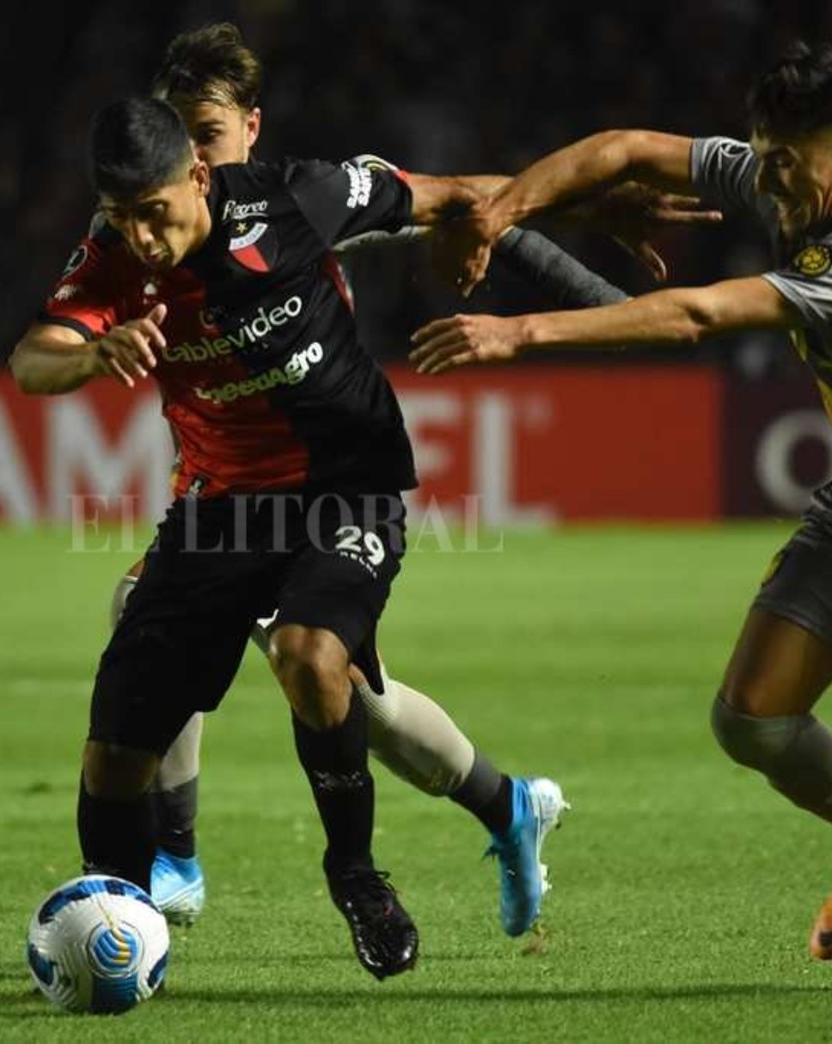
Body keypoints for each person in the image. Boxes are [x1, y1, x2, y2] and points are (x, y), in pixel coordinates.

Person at [412, 41, 832, 992]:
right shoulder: (794, 175)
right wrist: (501, 215)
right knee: (750, 719)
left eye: (784, 163)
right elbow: (629, 149)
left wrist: (520, 329)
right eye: (760, 154)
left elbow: (700, 317)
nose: (767, 178)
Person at [10, 93, 517, 979]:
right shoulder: (109, 257)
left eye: (155, 213)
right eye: (121, 216)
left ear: (198, 177)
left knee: (309, 653)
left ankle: (354, 876)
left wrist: (534, 208)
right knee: (114, 754)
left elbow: (449, 193)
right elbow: (30, 358)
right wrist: (90, 354)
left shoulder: (294, 199)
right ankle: (123, 928)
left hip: (345, 488)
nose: (141, 236)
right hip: (221, 508)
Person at [107, 22, 581, 938]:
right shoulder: (146, 222)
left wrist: (532, 228)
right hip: (222, 488)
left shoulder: (300, 198)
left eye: (203, 132)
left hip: (319, 484)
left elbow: (455, 197)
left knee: (345, 692)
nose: (185, 152)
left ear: (249, 127)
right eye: (173, 132)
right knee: (181, 634)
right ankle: (179, 856)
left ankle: (502, 805)